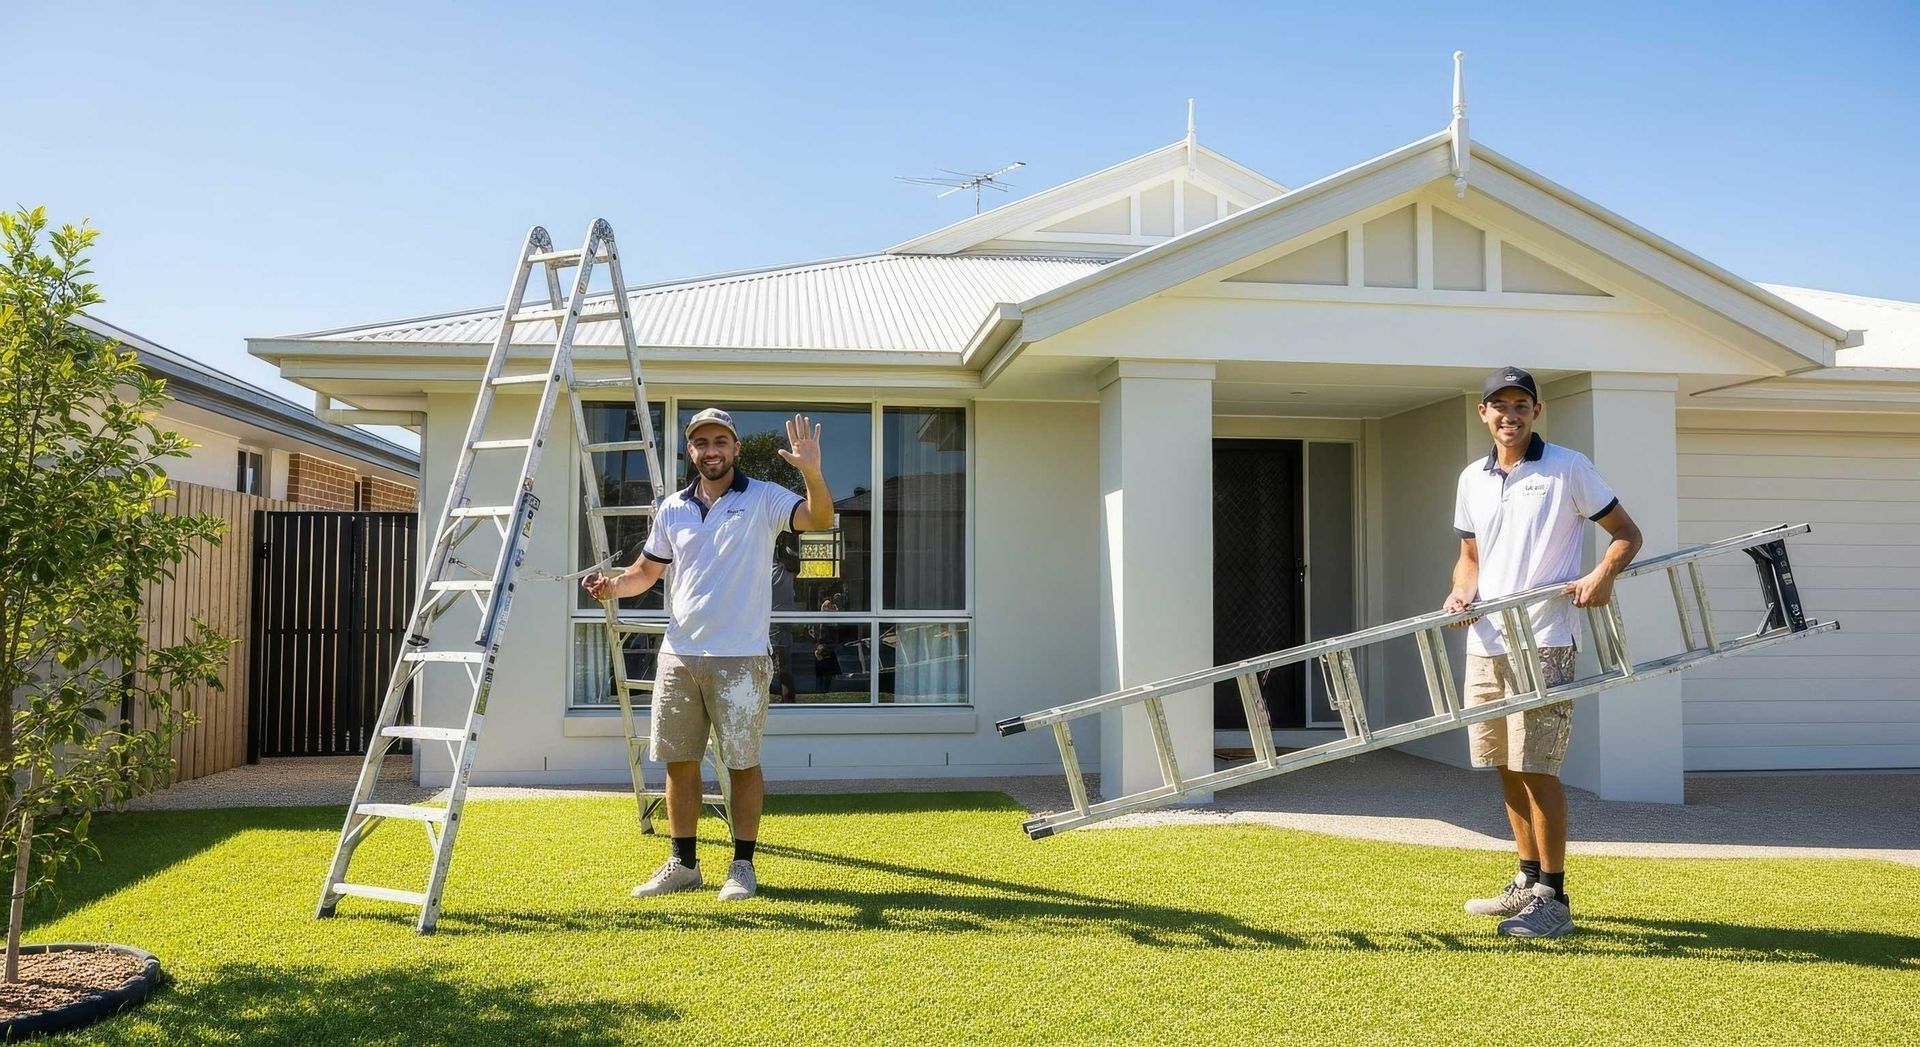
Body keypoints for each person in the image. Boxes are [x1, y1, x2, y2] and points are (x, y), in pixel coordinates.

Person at [585, 409, 833, 902]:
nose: (711, 449)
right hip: (679, 657)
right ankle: (684, 865)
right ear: (691, 451)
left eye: (721, 440)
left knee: (742, 764)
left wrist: (811, 471)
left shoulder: (763, 497)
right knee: (679, 763)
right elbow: (645, 573)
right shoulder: (672, 508)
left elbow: (819, 519)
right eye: (702, 442)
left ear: (735, 448)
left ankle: (742, 866)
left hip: (741, 658)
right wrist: (613, 587)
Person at [1445, 366, 1642, 938]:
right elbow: (1470, 558)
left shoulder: (1568, 467)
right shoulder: (1472, 478)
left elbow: (1627, 533)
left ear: (1537, 411)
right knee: (1505, 765)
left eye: (1520, 405)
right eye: (1499, 405)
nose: (1510, 415)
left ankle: (1554, 900)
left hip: (1546, 640)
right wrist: (1461, 592)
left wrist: (1603, 574)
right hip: (1487, 643)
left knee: (1538, 768)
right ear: (1483, 413)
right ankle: (1527, 881)